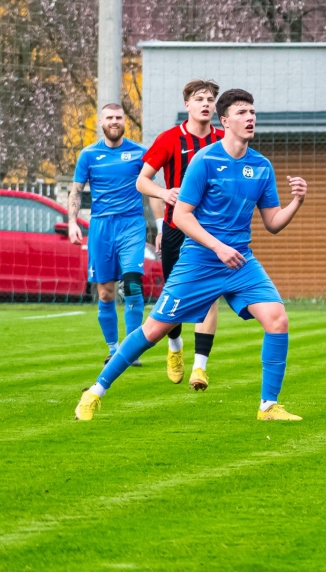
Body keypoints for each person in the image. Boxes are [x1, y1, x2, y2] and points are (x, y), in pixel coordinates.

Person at [75, 89, 309, 421]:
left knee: (277, 320)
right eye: (242, 112)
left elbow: (272, 223)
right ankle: (94, 392)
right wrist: (217, 246)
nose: (250, 117)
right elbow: (182, 216)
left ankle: (268, 406)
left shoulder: (261, 166)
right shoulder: (205, 161)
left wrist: (296, 202)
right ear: (225, 121)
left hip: (240, 261)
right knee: (154, 331)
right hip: (200, 259)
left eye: (253, 112)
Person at [137, 79, 224, 389]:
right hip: (176, 229)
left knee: (209, 296)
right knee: (176, 298)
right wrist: (165, 193)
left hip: (212, 232)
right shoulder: (170, 139)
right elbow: (142, 181)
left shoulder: (224, 140)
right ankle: (174, 348)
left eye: (211, 99)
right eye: (199, 98)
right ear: (187, 104)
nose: (206, 103)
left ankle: (200, 368)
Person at [68, 104, 149, 365]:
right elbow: (77, 191)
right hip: (101, 228)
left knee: (133, 286)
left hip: (132, 225)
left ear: (125, 121)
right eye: (110, 118)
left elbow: (152, 186)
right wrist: (72, 222)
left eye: (119, 117)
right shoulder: (89, 155)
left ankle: (131, 348)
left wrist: (162, 221)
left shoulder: (139, 153)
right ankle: (114, 349)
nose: (115, 121)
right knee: (105, 293)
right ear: (101, 122)